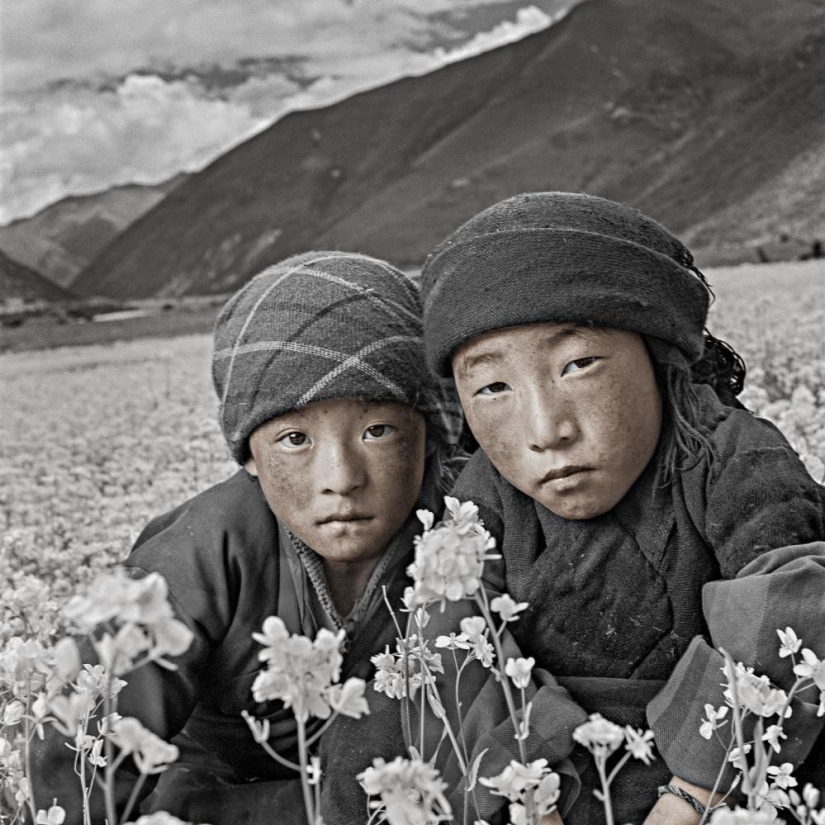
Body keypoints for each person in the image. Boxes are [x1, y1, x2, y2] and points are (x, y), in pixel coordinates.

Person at [419, 192, 825, 824]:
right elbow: (452, 645)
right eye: (493, 386)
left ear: (659, 357)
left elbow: (791, 613)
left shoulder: (730, 453)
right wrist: (529, 794)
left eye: (578, 364)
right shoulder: (483, 495)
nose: (545, 429)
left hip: (735, 787)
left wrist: (692, 797)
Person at [30, 251, 464, 824]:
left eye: (377, 430)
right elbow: (77, 757)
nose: (341, 479)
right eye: (293, 439)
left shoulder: (465, 526)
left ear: (431, 434)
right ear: (249, 455)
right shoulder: (201, 551)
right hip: (219, 800)